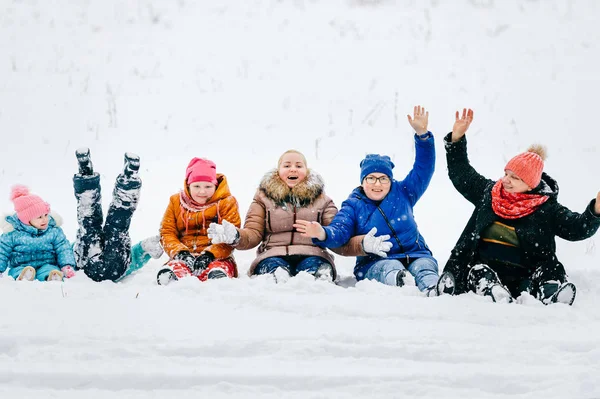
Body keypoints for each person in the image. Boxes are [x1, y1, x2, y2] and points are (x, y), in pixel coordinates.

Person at [441, 108, 600, 305]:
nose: (506, 180)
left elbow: (576, 228)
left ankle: (551, 291)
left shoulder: (546, 208)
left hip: (525, 273)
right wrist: (456, 139)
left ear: (530, 185)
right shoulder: (490, 193)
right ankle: (493, 291)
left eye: (514, 178)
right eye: (506, 173)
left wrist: (595, 212)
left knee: (551, 269)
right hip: (487, 265)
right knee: (479, 272)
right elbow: (461, 174)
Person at [294, 106, 447, 296]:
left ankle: (434, 288)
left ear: (390, 180)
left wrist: (422, 136)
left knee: (425, 266)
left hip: (416, 253)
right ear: (363, 182)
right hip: (375, 262)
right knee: (390, 267)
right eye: (371, 178)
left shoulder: (404, 192)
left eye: (383, 178)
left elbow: (424, 169)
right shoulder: (353, 204)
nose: (377, 184)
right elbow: (340, 231)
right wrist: (323, 233)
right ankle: (400, 282)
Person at [208, 149, 364, 283]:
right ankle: (276, 274)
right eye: (287, 166)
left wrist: (322, 233)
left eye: (299, 166)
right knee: (273, 268)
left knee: (314, 267)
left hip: (313, 253)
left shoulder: (322, 200)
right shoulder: (263, 199)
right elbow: (252, 234)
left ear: (307, 171)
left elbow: (337, 235)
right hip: (272, 254)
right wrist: (236, 236)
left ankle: (318, 275)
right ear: (278, 171)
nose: (293, 169)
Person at [73, 148, 163, 282]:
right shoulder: (123, 265)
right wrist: (144, 248)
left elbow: (63, 251)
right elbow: (135, 258)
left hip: (89, 261)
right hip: (113, 264)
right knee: (115, 224)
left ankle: (86, 175)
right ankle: (128, 179)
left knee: (90, 224)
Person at [156, 157, 241, 285]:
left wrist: (211, 254)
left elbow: (230, 236)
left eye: (208, 186)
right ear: (188, 186)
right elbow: (167, 232)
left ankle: (217, 277)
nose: (202, 191)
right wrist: (180, 253)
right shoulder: (176, 202)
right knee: (176, 267)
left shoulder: (226, 203)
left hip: (218, 256)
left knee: (218, 267)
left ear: (215, 185)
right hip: (184, 254)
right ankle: (172, 277)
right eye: (196, 186)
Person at [0, 185, 76, 281]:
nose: (44, 219)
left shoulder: (53, 231)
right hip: (21, 265)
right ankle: (24, 276)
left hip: (47, 263)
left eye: (46, 215)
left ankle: (51, 276)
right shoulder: (12, 234)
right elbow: (2, 252)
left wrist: (66, 265)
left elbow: (63, 248)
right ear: (26, 220)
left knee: (49, 269)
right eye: (39, 217)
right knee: (17, 271)